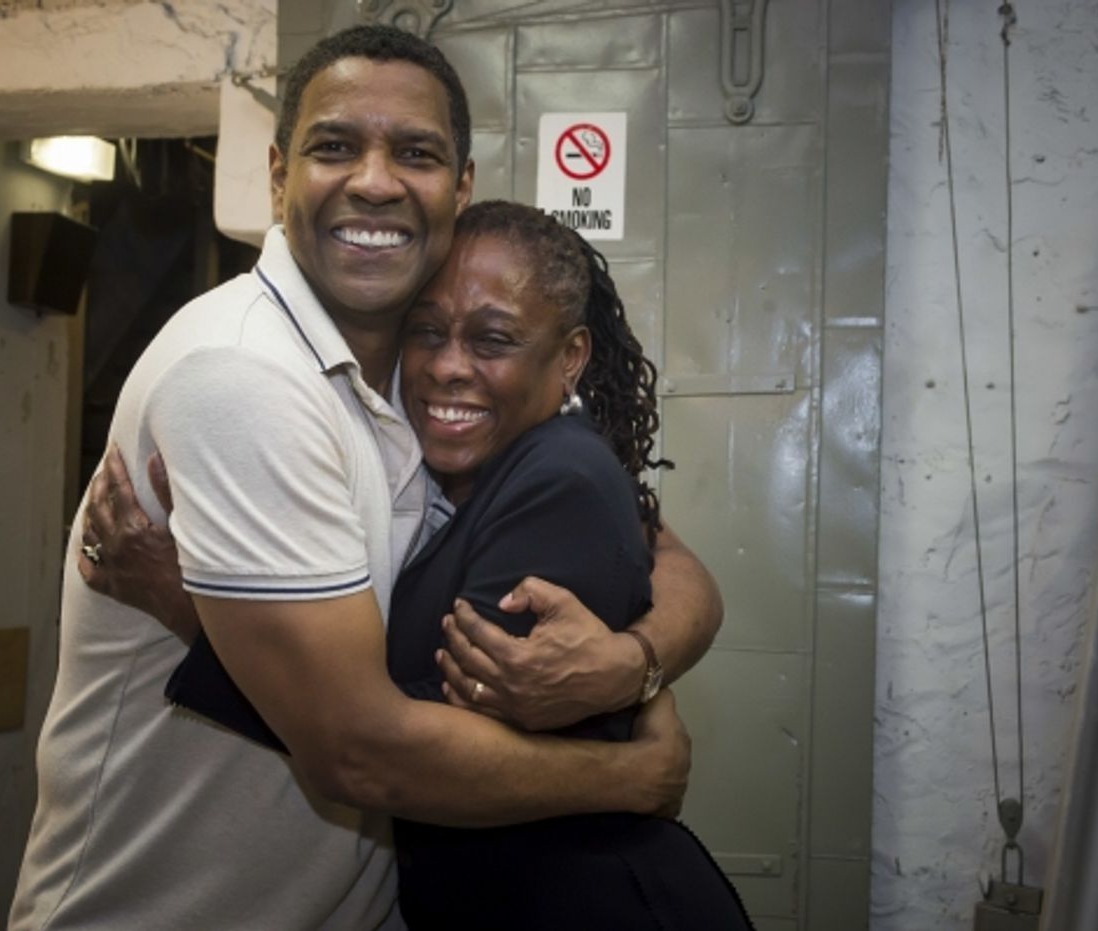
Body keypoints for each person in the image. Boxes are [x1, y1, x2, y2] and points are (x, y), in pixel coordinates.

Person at [10, 24, 720, 931]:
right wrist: (633, 775)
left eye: (415, 152)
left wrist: (633, 664)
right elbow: (358, 749)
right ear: (278, 174)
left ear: (459, 187)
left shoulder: (434, 378)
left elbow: (670, 558)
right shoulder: (245, 376)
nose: (376, 180)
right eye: (335, 145)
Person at [160, 200, 752, 929]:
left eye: (493, 340)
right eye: (427, 332)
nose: (448, 367)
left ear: (569, 357)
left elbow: (402, 740)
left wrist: (181, 603)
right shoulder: (467, 452)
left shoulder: (559, 478)